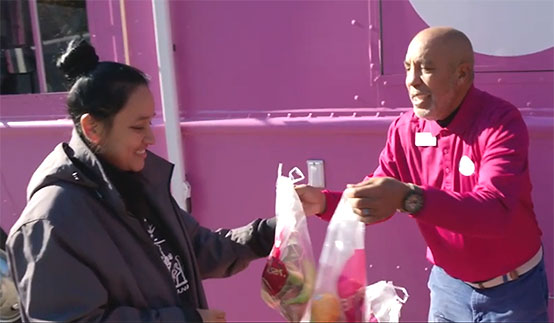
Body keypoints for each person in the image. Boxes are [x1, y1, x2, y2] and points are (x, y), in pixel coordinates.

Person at [6, 39, 276, 322]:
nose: (150, 138)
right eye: (138, 126)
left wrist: (271, 232)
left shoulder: (134, 183)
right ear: (92, 127)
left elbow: (193, 248)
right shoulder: (52, 221)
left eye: (149, 123)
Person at [297, 26, 549, 322]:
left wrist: (409, 198)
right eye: (407, 68)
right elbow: (380, 194)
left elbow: (494, 210)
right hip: (448, 290)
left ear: (462, 74)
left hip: (512, 294)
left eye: (426, 69)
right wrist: (324, 202)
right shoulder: (406, 130)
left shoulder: (500, 122)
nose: (412, 81)